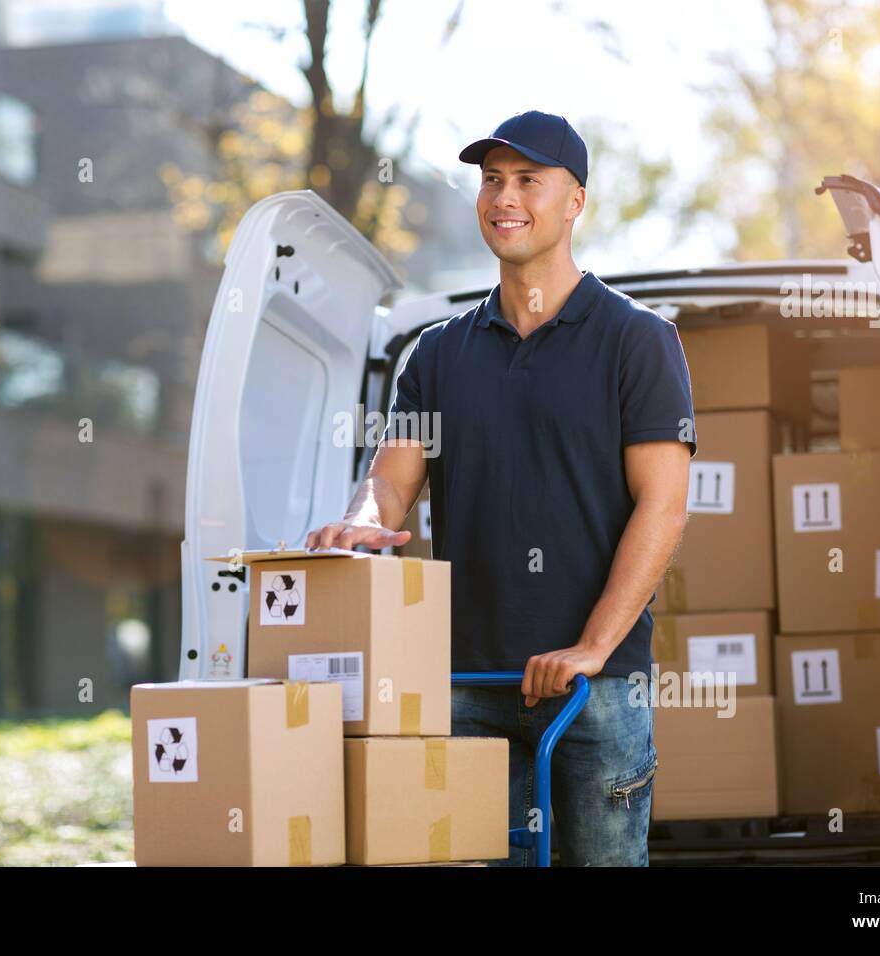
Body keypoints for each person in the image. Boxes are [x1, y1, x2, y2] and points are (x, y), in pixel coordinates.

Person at [305, 110, 696, 865]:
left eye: (527, 180)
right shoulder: (439, 354)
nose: (502, 197)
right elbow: (390, 479)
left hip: (597, 692)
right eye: (491, 180)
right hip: (463, 687)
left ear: (575, 200)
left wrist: (590, 647)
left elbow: (665, 504)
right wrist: (356, 524)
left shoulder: (635, 340)